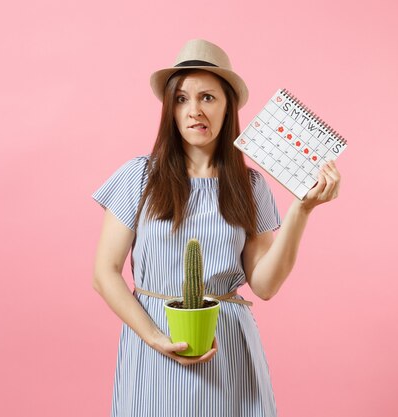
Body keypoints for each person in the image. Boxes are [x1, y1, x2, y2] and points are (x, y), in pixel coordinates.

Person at [91, 39, 341, 417]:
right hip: (153, 342)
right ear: (170, 110)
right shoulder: (138, 177)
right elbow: (104, 273)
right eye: (181, 99)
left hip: (227, 347)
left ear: (228, 107)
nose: (194, 111)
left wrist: (301, 211)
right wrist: (156, 339)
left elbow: (266, 285)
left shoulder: (250, 186)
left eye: (208, 97)